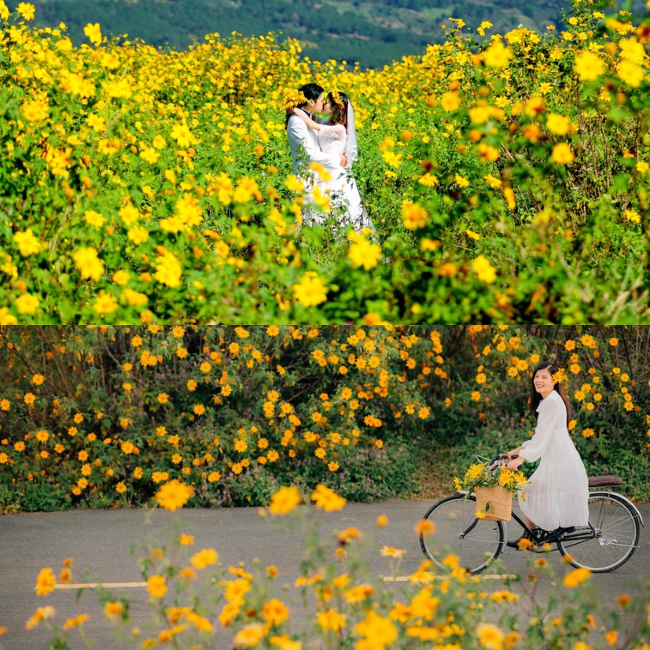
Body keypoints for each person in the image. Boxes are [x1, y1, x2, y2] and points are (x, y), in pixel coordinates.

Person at [504, 362, 590, 548]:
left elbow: (542, 438)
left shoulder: (551, 401)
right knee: (532, 491)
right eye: (537, 376)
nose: (539, 380)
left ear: (554, 380)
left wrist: (521, 458)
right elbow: (542, 436)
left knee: (529, 491)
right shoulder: (551, 400)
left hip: (560, 461)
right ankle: (535, 534)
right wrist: (519, 450)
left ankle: (553, 530)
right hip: (558, 458)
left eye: (544, 377)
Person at [291, 90, 372, 232]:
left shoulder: (339, 128)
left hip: (334, 172)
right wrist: (302, 107)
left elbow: (311, 124)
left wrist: (295, 109)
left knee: (339, 208)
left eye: (326, 102)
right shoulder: (329, 124)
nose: (323, 105)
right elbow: (313, 118)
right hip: (325, 171)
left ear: (334, 107)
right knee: (323, 210)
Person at [285, 83, 347, 227]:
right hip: (307, 177)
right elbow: (310, 155)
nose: (323, 103)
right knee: (309, 221)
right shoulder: (296, 122)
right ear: (311, 102)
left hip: (320, 176)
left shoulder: (310, 117)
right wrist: (338, 159)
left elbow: (329, 126)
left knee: (323, 218)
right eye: (321, 100)